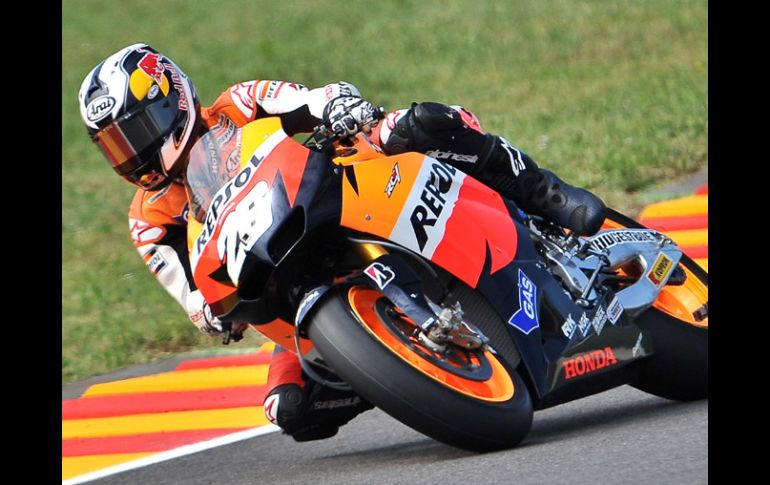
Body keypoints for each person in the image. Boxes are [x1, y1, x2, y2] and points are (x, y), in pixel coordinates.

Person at [78, 43, 606, 442]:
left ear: (173, 99)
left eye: (138, 129)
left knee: (417, 124)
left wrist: (335, 105)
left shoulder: (236, 104)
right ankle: (379, 368)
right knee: (288, 408)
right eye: (115, 146)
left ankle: (541, 191)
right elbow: (187, 291)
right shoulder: (147, 218)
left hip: (341, 187)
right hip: (284, 284)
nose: (134, 153)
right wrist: (209, 313)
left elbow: (304, 99)